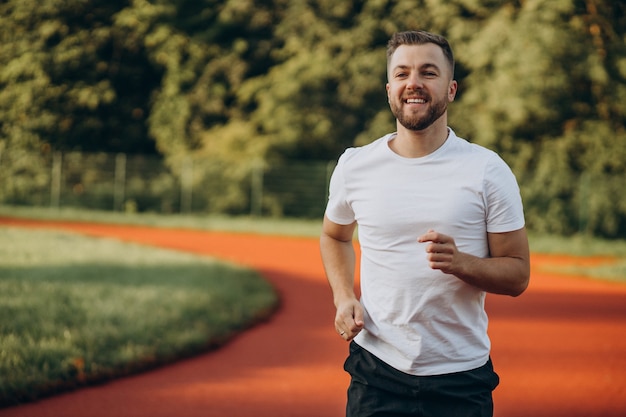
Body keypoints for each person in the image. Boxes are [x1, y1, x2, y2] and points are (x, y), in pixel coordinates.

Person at [320, 30, 530, 417]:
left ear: (450, 89)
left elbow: (518, 275)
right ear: (388, 90)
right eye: (402, 73)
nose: (413, 83)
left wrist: (462, 263)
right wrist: (343, 296)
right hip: (376, 372)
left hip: (460, 378)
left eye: (427, 72)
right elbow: (334, 235)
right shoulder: (355, 165)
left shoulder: (487, 170)